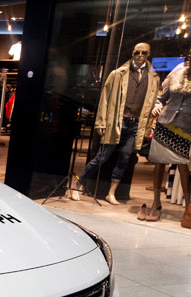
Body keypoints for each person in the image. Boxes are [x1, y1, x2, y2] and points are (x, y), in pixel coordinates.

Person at [73, 43, 160, 204]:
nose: (140, 56)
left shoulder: (153, 78)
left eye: (144, 53)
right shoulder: (117, 74)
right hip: (118, 121)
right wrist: (101, 122)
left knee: (124, 158)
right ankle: (78, 185)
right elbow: (105, 99)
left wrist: (148, 126)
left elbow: (152, 102)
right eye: (137, 52)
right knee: (102, 157)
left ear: (148, 54)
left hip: (136, 123)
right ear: (132, 53)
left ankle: (111, 193)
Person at [145, 50, 191, 227]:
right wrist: (156, 106)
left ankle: (188, 207)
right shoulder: (176, 74)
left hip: (184, 128)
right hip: (165, 124)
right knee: (159, 164)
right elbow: (161, 98)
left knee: (183, 166)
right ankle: (156, 202)